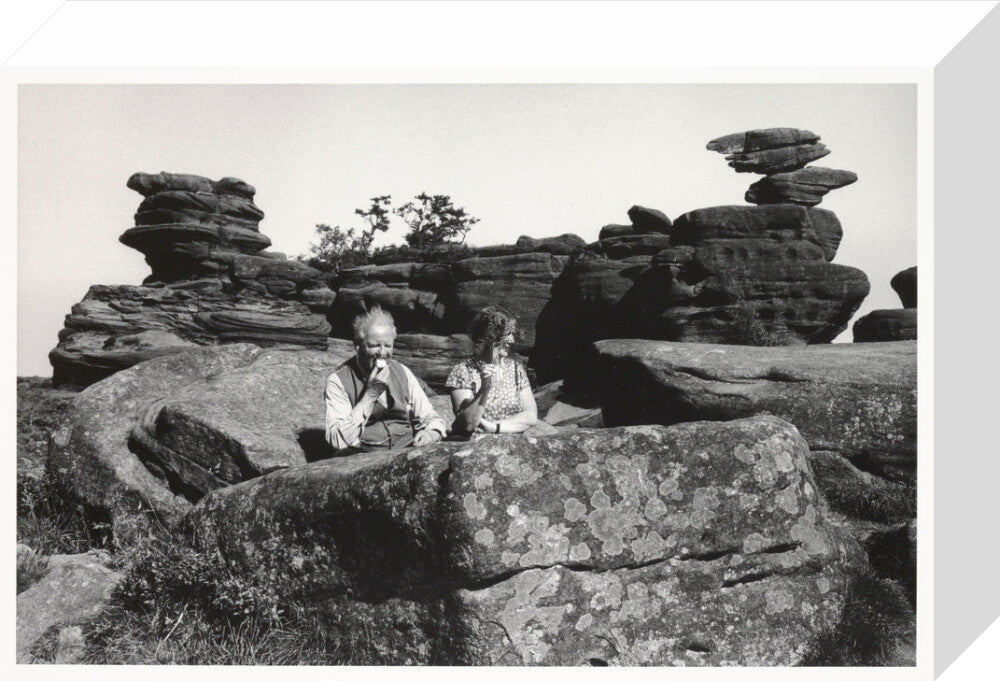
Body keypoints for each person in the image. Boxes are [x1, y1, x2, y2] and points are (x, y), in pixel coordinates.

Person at [325, 307, 446, 452]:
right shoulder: (338, 380)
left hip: (406, 450)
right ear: (358, 347)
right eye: (375, 346)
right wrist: (372, 393)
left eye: (388, 345)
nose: (382, 353)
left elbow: (430, 417)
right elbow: (338, 440)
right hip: (363, 457)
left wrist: (431, 433)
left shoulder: (402, 371)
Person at [446, 307, 538, 436]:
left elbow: (531, 417)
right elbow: (468, 424)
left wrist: (494, 428)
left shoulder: (516, 369)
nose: (512, 340)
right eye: (508, 334)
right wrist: (485, 387)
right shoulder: (463, 371)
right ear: (490, 337)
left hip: (512, 444)